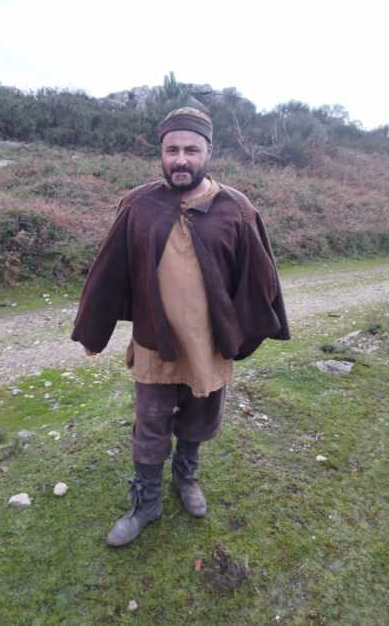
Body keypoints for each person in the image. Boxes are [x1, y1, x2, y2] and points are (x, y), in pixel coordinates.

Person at [71, 106, 289, 547]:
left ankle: (186, 478)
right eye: (172, 150)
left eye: (191, 149)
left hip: (209, 344)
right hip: (155, 341)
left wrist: (247, 332)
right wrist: (94, 332)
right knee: (150, 423)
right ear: (161, 153)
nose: (181, 159)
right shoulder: (138, 205)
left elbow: (258, 277)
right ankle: (146, 502)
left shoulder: (236, 209)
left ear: (209, 151)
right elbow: (109, 272)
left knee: (200, 419)